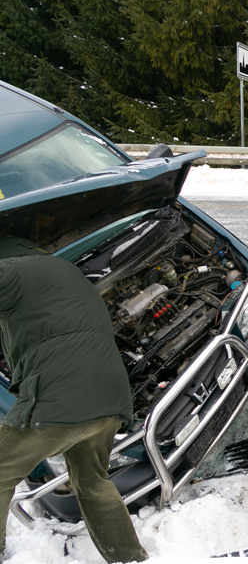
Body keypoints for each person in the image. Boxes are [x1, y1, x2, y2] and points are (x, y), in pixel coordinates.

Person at [0, 236, 148, 563]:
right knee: (93, 482)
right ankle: (129, 558)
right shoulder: (62, 269)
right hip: (108, 399)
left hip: (59, 398)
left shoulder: (11, 271)